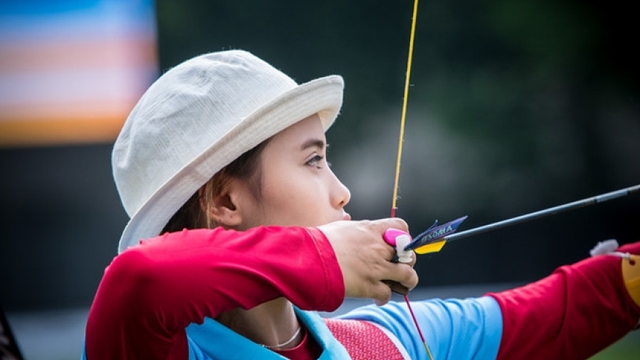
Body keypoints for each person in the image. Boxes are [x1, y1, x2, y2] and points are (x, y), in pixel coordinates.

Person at [82, 50, 640, 360]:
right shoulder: (155, 348)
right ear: (226, 200)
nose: (342, 191)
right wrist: (321, 256)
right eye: (313, 161)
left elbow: (570, 305)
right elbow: (141, 281)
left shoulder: (389, 342)